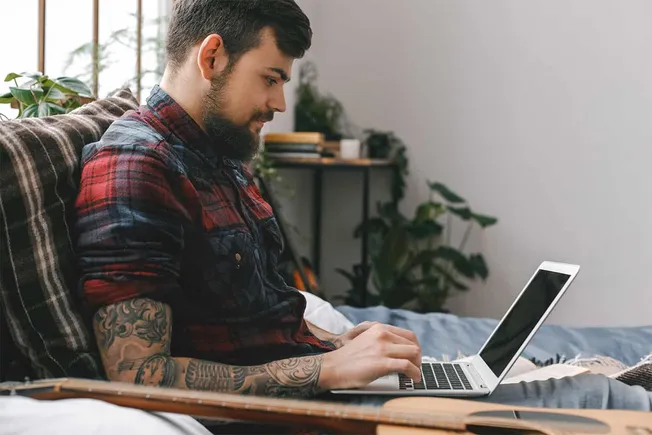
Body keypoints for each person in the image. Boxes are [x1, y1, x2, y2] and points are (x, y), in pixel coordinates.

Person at [72, 0, 652, 427]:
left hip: (321, 383)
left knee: (551, 373)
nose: (278, 102)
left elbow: (256, 314)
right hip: (291, 411)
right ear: (213, 55)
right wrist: (327, 371)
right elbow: (138, 377)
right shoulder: (136, 167)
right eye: (270, 78)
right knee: (597, 406)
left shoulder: (215, 155)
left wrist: (344, 340)